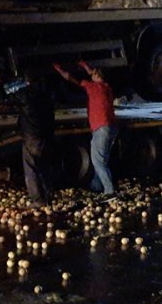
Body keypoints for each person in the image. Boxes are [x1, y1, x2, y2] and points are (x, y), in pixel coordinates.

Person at [53, 60, 118, 199]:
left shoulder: (93, 87)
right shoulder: (107, 87)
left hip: (101, 128)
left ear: (95, 76)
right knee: (101, 160)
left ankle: (110, 191)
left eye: (92, 75)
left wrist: (59, 70)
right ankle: (96, 185)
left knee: (98, 162)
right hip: (110, 127)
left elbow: (71, 78)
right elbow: (94, 74)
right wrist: (86, 66)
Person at [13, 66, 56, 207]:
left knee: (31, 168)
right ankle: (48, 195)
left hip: (32, 135)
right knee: (44, 166)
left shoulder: (24, 93)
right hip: (46, 134)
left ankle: (38, 200)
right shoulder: (47, 92)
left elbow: (6, 98)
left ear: (26, 80)